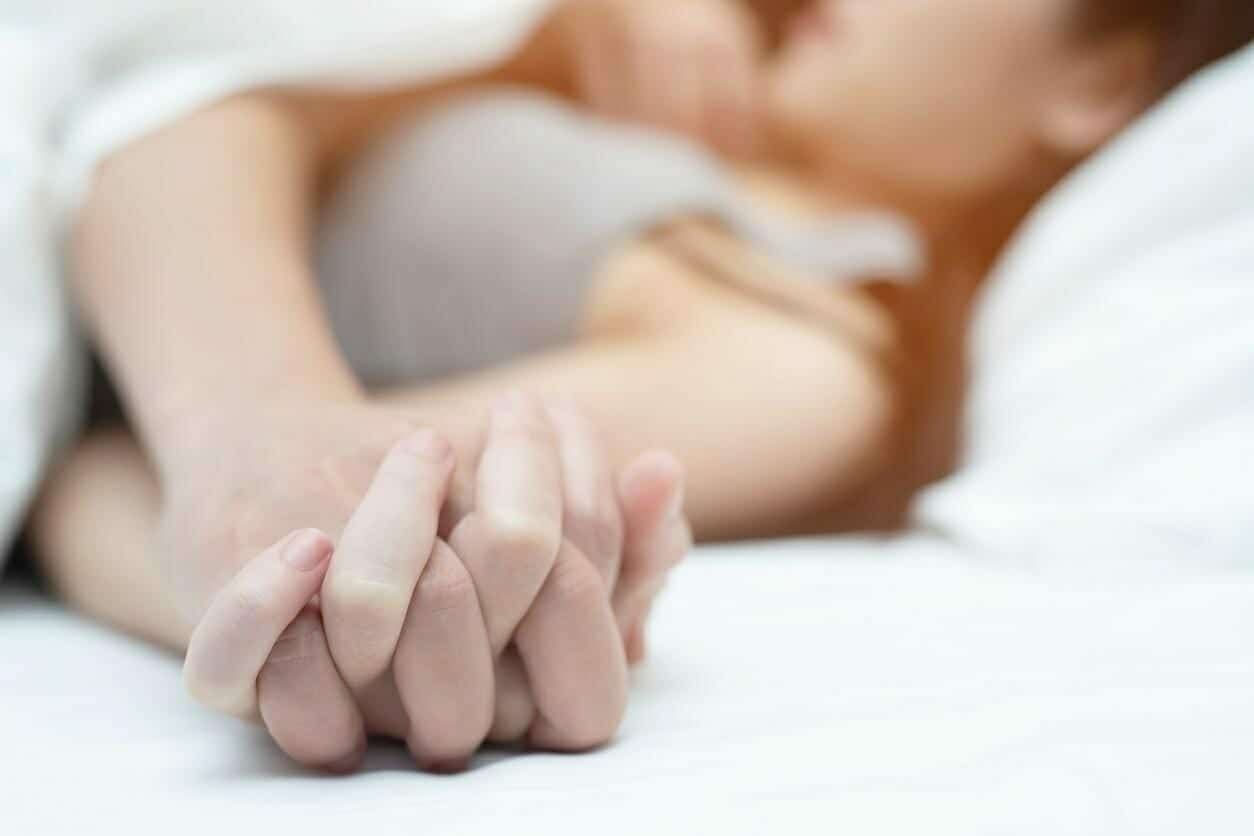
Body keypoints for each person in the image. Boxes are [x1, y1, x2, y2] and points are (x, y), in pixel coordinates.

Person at [29, 0, 1254, 773]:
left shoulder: (804, 359)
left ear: (1100, 78)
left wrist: (227, 491)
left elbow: (272, 539)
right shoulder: (612, 57)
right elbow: (173, 111)